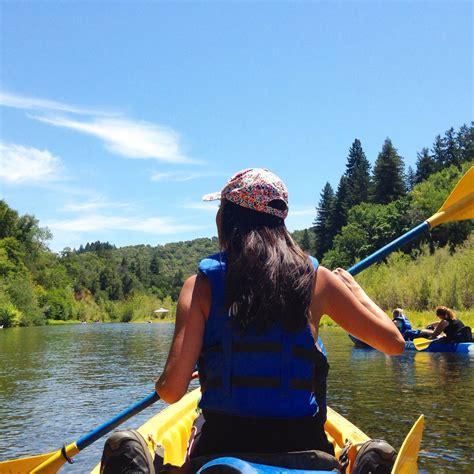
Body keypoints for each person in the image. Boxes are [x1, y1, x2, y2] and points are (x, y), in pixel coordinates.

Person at [153, 168, 405, 464]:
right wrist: (358, 293)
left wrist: (202, 366)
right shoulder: (319, 280)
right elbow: (394, 344)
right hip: (304, 446)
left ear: (230, 218)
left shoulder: (200, 286)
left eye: (221, 208)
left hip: (221, 447)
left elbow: (171, 392)